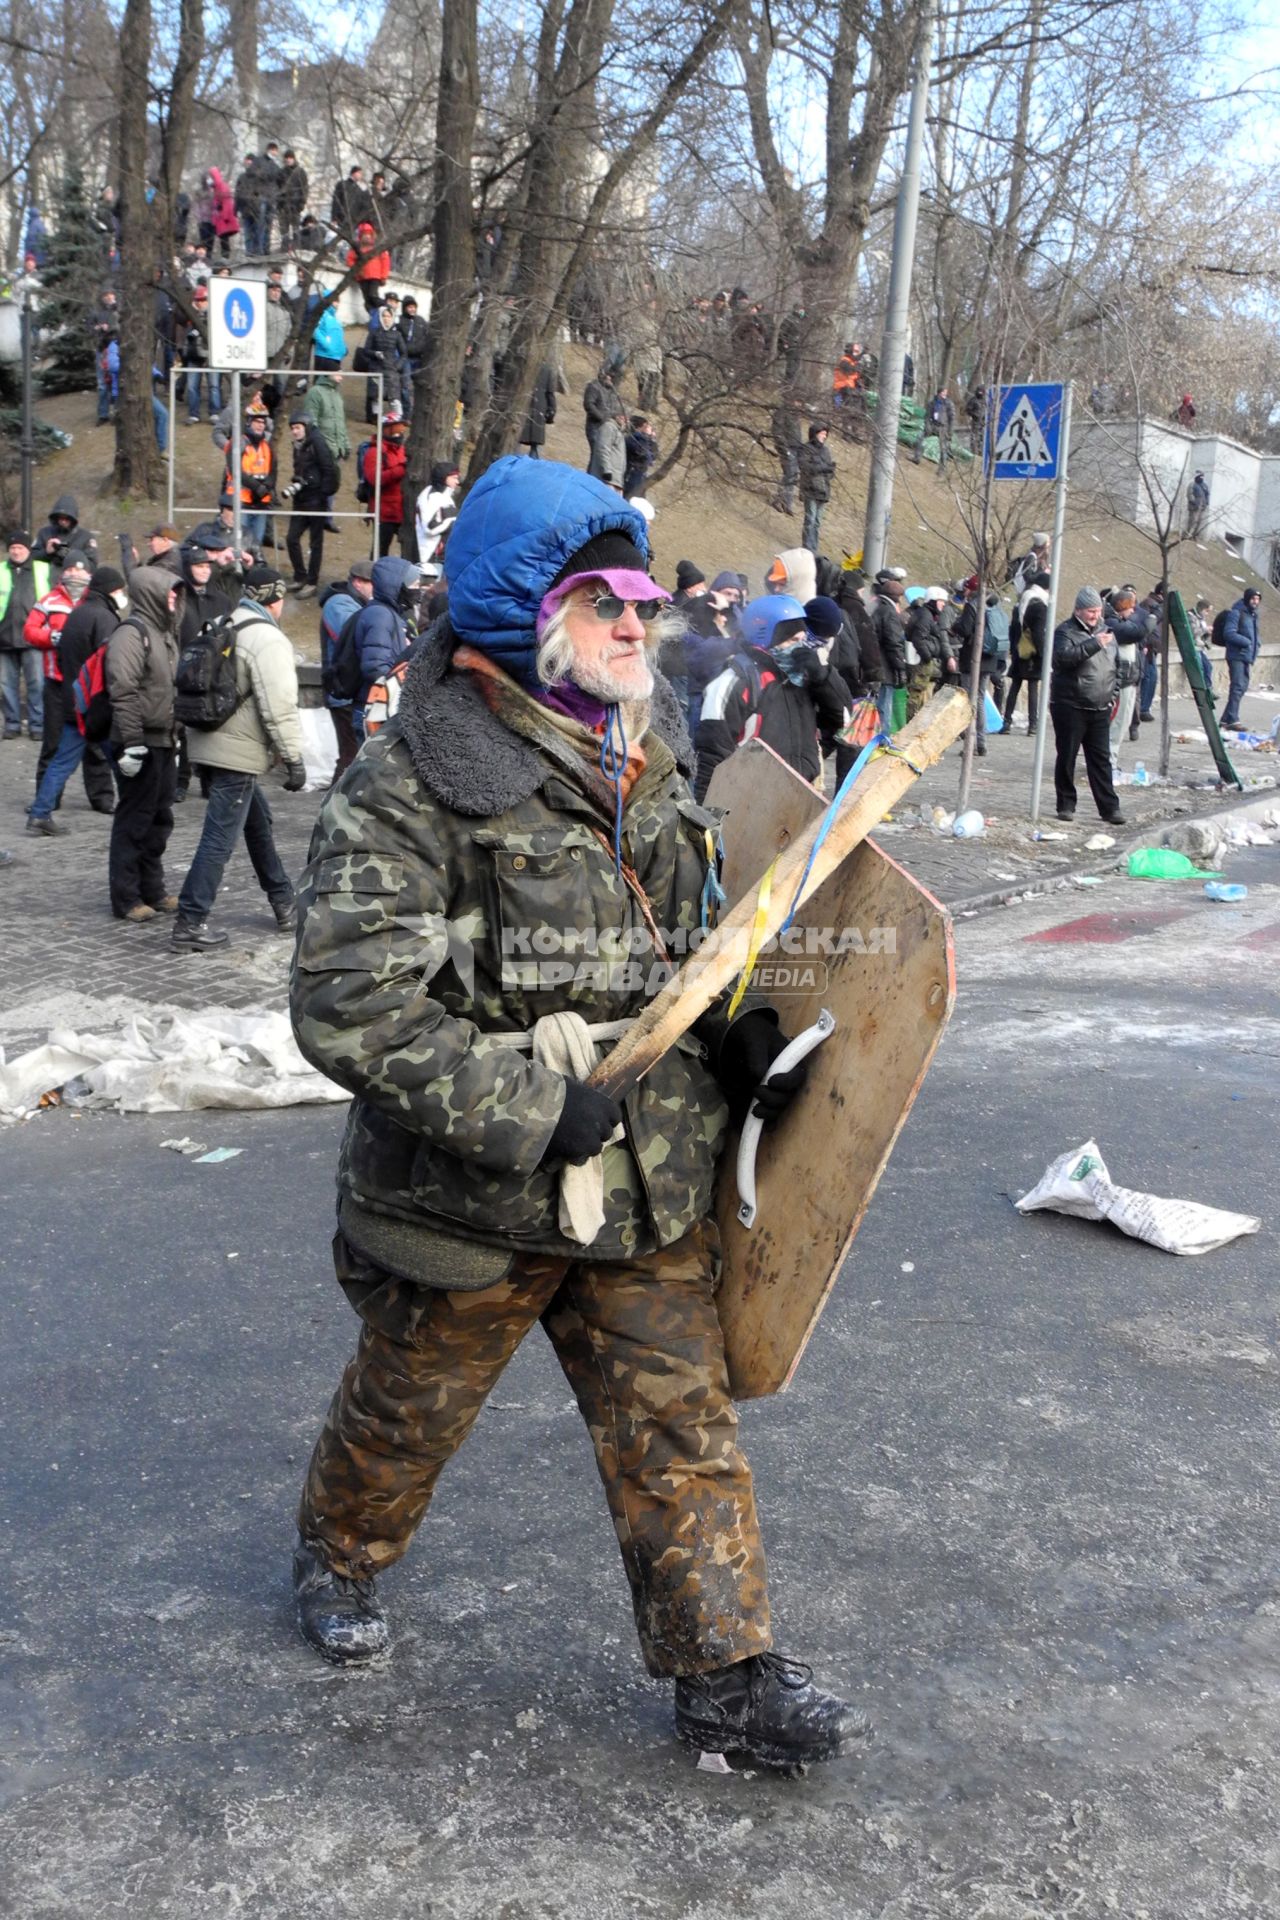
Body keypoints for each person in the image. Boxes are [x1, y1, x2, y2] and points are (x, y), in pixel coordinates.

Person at [288, 455, 865, 1775]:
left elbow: (685, 937)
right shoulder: (413, 782)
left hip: (643, 1176)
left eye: (640, 599)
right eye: (603, 597)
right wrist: (527, 1106)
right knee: (404, 1412)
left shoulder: (641, 754)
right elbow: (347, 1004)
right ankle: (337, 1551)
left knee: (679, 1420)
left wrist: (733, 1031)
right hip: (472, 1192)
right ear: (519, 609)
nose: (635, 620)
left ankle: (726, 1681)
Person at [170, 566, 305, 951]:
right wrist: (294, 758)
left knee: (257, 824)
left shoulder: (219, 623)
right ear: (274, 599)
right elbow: (279, 705)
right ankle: (190, 922)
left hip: (207, 743)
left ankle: (284, 902)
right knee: (218, 839)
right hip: (238, 753)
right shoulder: (267, 638)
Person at [695, 591, 850, 797]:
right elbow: (712, 756)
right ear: (766, 640)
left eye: (801, 640)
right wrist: (707, 820)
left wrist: (823, 676)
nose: (797, 648)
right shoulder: (735, 681)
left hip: (802, 792)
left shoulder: (801, 676)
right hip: (752, 799)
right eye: (790, 641)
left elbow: (843, 719)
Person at [105, 565, 184, 921]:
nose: (174, 598)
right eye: (169, 591)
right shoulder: (132, 633)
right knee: (134, 820)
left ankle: (153, 888)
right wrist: (133, 743)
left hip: (165, 740)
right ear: (152, 593)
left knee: (159, 818)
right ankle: (126, 897)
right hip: (138, 741)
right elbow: (123, 690)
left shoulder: (165, 632)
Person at [26, 566, 128, 831]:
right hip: (97, 704)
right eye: (118, 589)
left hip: (75, 700)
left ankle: (40, 812)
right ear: (109, 591)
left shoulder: (76, 614)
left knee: (61, 761)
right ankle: (134, 807)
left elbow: (62, 657)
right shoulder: (105, 618)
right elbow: (111, 663)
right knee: (118, 758)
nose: (121, 594)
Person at [23, 553, 103, 808]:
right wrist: (53, 637)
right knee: (53, 742)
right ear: (64, 573)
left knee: (96, 744)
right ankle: (46, 799)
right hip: (57, 683)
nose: (76, 575)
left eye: (81, 571)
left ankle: (102, 798)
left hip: (90, 685)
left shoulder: (95, 602)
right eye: (71, 570)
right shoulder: (49, 601)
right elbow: (29, 631)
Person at [1049, 586, 1124, 825]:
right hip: (1071, 705)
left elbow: (1117, 666)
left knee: (1101, 760)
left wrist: (1114, 691)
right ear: (1078, 610)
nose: (1095, 615)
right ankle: (1066, 804)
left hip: (1100, 706)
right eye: (1091, 611)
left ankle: (1110, 808)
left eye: (1098, 611)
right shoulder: (1065, 632)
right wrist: (1094, 644)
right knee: (1067, 756)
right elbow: (1062, 659)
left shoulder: (1107, 632)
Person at [319, 559, 376, 777]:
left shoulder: (353, 604)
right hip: (342, 692)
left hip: (348, 691)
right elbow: (354, 638)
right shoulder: (339, 604)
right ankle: (334, 805)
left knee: (352, 754)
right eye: (373, 584)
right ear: (359, 582)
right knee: (350, 756)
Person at [0, 531, 52, 738]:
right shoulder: (2, 571)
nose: (16, 551)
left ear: (27, 549)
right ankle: (12, 724)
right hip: (4, 638)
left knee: (37, 684)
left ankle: (37, 725)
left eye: (20, 548)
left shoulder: (43, 569)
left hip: (34, 638)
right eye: (12, 548)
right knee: (6, 685)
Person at [284, 411, 340, 596]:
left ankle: (312, 581)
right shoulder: (298, 445)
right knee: (292, 539)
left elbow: (328, 468)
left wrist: (322, 493)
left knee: (315, 543)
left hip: (316, 500)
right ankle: (300, 576)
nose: (294, 431)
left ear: (306, 427)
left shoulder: (317, 442)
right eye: (292, 428)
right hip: (300, 499)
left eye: (298, 427)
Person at [349, 554, 419, 702]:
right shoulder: (381, 615)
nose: (417, 590)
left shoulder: (391, 613)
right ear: (396, 586)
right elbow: (375, 667)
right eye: (413, 585)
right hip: (377, 705)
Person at [952, 582, 1009, 757]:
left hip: (973, 659)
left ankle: (971, 743)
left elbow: (965, 628)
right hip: (990, 658)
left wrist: (955, 625)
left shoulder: (972, 606)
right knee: (980, 698)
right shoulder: (996, 606)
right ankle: (981, 742)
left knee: (971, 700)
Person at [1103, 586, 1147, 769]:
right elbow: (1139, 630)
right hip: (1121, 680)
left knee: (1123, 721)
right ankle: (1108, 761)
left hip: (1129, 678)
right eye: (1131, 606)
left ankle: (1109, 759)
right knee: (1117, 722)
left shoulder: (1120, 621)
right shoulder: (1114, 624)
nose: (1134, 611)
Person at [1003, 569, 1050, 734]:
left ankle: (1006, 722)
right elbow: (1039, 633)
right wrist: (1044, 655)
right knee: (1032, 688)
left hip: (1019, 650)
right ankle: (1033, 725)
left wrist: (1014, 647)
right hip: (1032, 653)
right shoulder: (1040, 606)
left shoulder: (1021, 602)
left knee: (1015, 686)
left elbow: (1013, 628)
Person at [226, 411, 278, 549]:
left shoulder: (267, 446)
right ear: (249, 422)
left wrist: (266, 487)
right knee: (239, 544)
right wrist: (256, 486)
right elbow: (234, 470)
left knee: (256, 545)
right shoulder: (237, 444)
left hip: (261, 501)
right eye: (257, 422)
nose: (261, 425)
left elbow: (273, 471)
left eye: (263, 422)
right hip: (241, 501)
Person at [867, 570, 908, 733]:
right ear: (897, 597)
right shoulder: (890, 613)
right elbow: (894, 643)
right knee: (884, 708)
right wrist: (900, 666)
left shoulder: (876, 608)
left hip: (875, 664)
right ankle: (882, 743)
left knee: (877, 706)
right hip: (885, 669)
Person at [363, 411, 409, 558]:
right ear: (387, 429)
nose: (401, 432)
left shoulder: (403, 449)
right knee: (379, 551)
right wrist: (401, 469)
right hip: (384, 511)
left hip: (403, 508)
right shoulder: (374, 451)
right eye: (397, 428)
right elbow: (374, 478)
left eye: (402, 428)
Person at [904, 587, 954, 720]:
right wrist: (927, 655)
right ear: (933, 601)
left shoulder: (924, 613)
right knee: (916, 693)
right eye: (941, 601)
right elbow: (919, 638)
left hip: (920, 659)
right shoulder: (925, 616)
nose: (943, 604)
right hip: (921, 661)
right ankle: (911, 723)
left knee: (919, 693)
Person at [1219, 587, 1261, 730]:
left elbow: (1255, 635)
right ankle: (1233, 720)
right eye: (1253, 599)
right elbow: (1229, 633)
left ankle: (1225, 720)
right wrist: (1247, 642)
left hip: (1246, 656)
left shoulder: (1253, 615)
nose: (1255, 602)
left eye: (1257, 599)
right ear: (1247, 599)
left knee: (1241, 687)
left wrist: (1256, 645)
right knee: (1237, 687)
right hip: (1236, 655)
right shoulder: (1236, 613)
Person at [414, 461, 459, 582]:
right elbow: (429, 528)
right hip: (431, 560)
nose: (457, 482)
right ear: (444, 478)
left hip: (445, 557)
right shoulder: (430, 496)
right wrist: (451, 519)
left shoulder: (445, 496)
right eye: (454, 478)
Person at [798, 424, 835, 554]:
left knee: (817, 522)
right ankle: (807, 547)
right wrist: (823, 469)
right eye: (822, 433)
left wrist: (829, 471)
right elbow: (804, 467)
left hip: (823, 489)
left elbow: (830, 471)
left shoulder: (825, 451)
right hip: (810, 488)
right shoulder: (805, 449)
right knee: (810, 519)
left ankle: (814, 548)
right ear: (815, 433)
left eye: (825, 434)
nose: (824, 436)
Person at [89, 289, 120, 425]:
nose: (108, 298)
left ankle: (117, 412)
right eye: (105, 295)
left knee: (116, 380)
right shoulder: (96, 312)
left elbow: (122, 325)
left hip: (116, 347)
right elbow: (89, 328)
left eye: (110, 295)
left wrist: (111, 327)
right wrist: (98, 328)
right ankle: (103, 414)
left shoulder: (119, 309)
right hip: (101, 348)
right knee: (102, 383)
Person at [347, 222, 391, 312]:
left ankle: (388, 308)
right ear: (361, 236)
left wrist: (383, 277)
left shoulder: (378, 248)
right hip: (362, 277)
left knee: (373, 296)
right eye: (364, 234)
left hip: (375, 277)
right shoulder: (357, 249)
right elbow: (349, 260)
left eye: (369, 235)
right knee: (367, 301)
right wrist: (357, 271)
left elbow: (385, 262)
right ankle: (375, 318)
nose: (367, 237)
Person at [770, 396, 803, 514]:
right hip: (786, 448)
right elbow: (777, 432)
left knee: (794, 475)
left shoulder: (796, 415)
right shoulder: (782, 412)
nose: (798, 404)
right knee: (788, 473)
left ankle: (787, 503)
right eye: (797, 400)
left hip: (796, 448)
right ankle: (779, 500)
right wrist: (784, 448)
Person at [520, 361, 558, 458]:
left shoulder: (523, 363)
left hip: (525, 407)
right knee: (534, 446)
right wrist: (551, 412)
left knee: (517, 441)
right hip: (538, 408)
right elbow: (550, 394)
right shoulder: (547, 369)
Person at [913, 387, 955, 471]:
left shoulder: (949, 404)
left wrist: (950, 431)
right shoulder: (932, 403)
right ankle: (916, 457)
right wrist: (927, 426)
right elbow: (927, 416)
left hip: (943, 428)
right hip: (933, 425)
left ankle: (942, 468)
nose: (944, 394)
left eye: (945, 393)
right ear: (939, 393)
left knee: (943, 448)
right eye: (943, 392)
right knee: (919, 437)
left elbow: (952, 418)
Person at [622, 414, 658, 499]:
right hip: (631, 474)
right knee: (629, 498)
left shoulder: (644, 440)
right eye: (645, 426)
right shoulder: (631, 439)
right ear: (638, 428)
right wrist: (646, 438)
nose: (648, 429)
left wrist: (652, 440)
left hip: (641, 474)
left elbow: (654, 455)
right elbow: (641, 453)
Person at [278, 150, 308, 251]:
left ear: (294, 159)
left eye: (290, 158)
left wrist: (302, 203)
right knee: (284, 230)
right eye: (286, 158)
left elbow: (304, 189)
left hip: (296, 204)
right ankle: (284, 248)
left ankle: (296, 249)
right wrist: (279, 204)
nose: (288, 160)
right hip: (284, 205)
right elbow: (277, 189)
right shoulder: (281, 172)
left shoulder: (300, 172)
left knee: (296, 229)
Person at [1189, 597, 1214, 697]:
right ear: (1202, 609)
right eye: (1207, 611)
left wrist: (1208, 633)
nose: (1207, 614)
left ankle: (1209, 689)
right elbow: (1192, 632)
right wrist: (1205, 629)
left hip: (1200, 647)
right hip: (1194, 646)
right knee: (1200, 668)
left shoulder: (1201, 619)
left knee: (1208, 667)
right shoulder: (1191, 617)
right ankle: (1202, 692)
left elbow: (1202, 635)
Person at [1186, 470, 1210, 539]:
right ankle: (1186, 534)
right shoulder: (1192, 484)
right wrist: (1194, 502)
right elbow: (1189, 494)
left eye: (1202, 476)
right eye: (1200, 476)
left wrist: (1207, 502)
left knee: (1199, 522)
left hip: (1202, 507)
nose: (1201, 478)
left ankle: (1194, 536)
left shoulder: (1204, 485)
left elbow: (1207, 494)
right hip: (1194, 506)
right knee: (1192, 521)